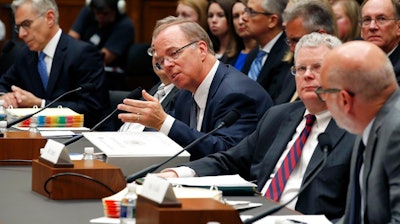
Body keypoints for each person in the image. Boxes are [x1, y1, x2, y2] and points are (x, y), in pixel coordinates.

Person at [159, 33, 355, 221]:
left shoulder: (354, 131)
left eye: (317, 68)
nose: (308, 75)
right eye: (301, 69)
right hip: (255, 214)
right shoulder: (279, 116)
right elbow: (230, 160)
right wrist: (178, 173)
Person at [118, 17, 272, 161]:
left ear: (202, 49)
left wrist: (162, 121)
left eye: (174, 53)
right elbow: (173, 139)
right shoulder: (185, 92)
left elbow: (226, 155)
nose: (167, 65)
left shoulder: (237, 93)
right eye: (161, 60)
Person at [319, 40, 400, 224]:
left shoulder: (396, 130)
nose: (325, 103)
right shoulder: (368, 123)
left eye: (324, 94)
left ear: (344, 100)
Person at [0, 0, 110, 129]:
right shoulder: (25, 55)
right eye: (18, 27)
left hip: (84, 136)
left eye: (26, 24)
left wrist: (40, 103)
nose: (21, 34)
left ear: (50, 18)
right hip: (37, 137)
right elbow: (3, 85)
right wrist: (6, 96)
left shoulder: (83, 54)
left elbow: (92, 109)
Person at [277, 0, 337, 104]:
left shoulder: (343, 75)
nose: (291, 49)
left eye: (296, 40)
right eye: (289, 41)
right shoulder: (293, 71)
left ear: (321, 35)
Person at [241, 0, 292, 104]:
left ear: (272, 20)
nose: (244, 18)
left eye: (251, 12)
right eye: (246, 10)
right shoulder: (253, 55)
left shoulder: (287, 55)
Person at [68, 0, 135, 68]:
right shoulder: (89, 11)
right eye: (97, 13)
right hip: (82, 64)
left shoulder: (125, 25)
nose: (100, 17)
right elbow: (70, 41)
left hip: (109, 72)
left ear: (116, 10)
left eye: (105, 13)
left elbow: (103, 58)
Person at [360, 0, 400, 82]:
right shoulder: (354, 61)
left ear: (398, 27)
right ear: (361, 31)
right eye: (367, 20)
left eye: (381, 19)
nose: (372, 26)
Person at [228, 0, 257, 71]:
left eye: (245, 13)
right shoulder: (229, 57)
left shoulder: (262, 54)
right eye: (236, 16)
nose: (240, 21)